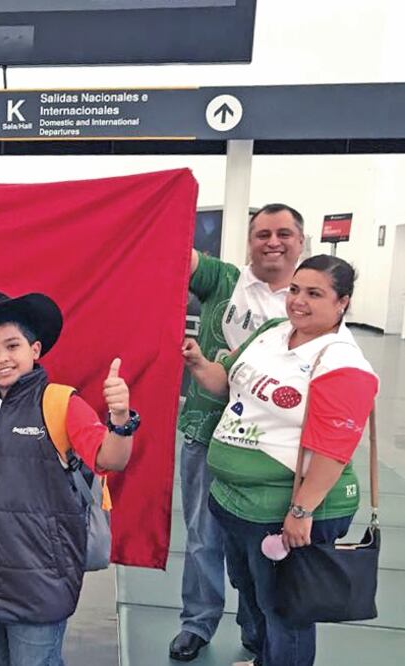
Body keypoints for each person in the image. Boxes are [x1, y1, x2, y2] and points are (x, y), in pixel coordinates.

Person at [182, 255, 378, 666]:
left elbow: (332, 449)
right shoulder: (273, 332)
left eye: (314, 294)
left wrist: (302, 511)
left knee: (286, 611)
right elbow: (226, 382)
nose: (298, 301)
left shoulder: (342, 361)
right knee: (252, 590)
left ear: (342, 302)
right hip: (237, 503)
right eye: (295, 289)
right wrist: (199, 363)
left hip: (287, 509)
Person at [0, 289, 136, 666]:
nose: (2, 359)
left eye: (11, 345)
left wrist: (121, 419)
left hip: (40, 583)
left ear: (35, 350)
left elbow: (111, 459)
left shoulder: (60, 402)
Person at [171, 203, 305, 661]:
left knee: (259, 547)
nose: (273, 241)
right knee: (204, 536)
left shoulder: (308, 299)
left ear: (301, 242)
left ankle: (256, 628)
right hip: (207, 433)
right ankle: (198, 622)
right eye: (262, 233)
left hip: (270, 448)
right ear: (248, 241)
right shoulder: (224, 281)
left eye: (283, 233)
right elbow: (174, 253)